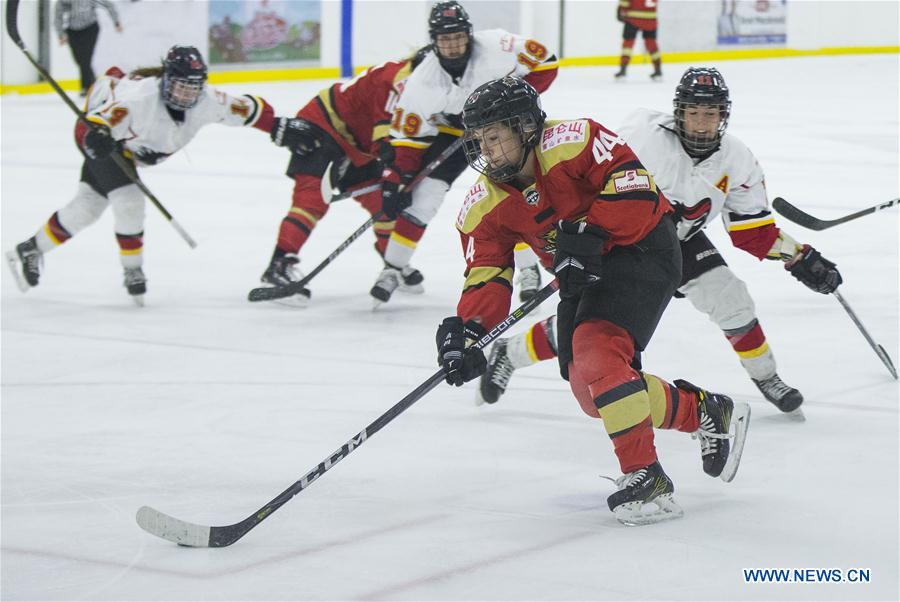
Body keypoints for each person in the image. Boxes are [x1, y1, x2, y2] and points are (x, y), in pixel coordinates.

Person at [435, 76, 749, 524]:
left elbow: (636, 188)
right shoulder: (483, 205)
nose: (487, 150)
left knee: (597, 352)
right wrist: (470, 331)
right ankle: (703, 411)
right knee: (591, 390)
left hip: (641, 247)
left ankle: (646, 475)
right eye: (480, 141)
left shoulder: (574, 139)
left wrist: (592, 233)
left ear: (524, 127)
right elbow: (487, 269)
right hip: (581, 275)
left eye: (495, 137)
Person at [478, 67, 843, 417]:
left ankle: (767, 376)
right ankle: (511, 353)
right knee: (592, 331)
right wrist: (576, 242)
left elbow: (752, 231)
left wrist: (799, 255)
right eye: (693, 112)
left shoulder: (738, 158)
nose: (702, 122)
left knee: (731, 299)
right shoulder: (642, 132)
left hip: (678, 244)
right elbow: (587, 184)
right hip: (619, 241)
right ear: (678, 112)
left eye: (711, 113)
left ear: (724, 116)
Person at [5, 46, 292, 305]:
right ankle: (133, 270)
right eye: (180, 87)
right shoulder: (138, 101)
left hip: (131, 149)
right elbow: (89, 127)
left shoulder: (206, 101)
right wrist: (98, 138)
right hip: (112, 143)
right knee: (129, 200)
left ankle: (30, 249)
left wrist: (280, 128)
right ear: (166, 80)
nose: (186, 96)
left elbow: (249, 109)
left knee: (88, 207)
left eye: (192, 89)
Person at [369, 0, 558, 306]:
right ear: (434, 42)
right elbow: (408, 139)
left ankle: (529, 269)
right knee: (424, 195)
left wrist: (514, 103)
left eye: (458, 36)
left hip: (502, 125)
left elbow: (546, 61)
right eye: (445, 39)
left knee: (512, 191)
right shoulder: (421, 82)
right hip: (452, 132)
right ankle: (392, 268)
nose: (453, 44)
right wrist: (397, 179)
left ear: (469, 33)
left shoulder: (498, 46)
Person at [255, 49, 433, 306]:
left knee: (385, 206)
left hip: (359, 146)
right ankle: (278, 265)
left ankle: (392, 263)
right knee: (312, 200)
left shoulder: (422, 84)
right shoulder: (396, 82)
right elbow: (385, 143)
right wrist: (398, 173)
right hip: (324, 126)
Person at [55, 0, 124, 96]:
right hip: (73, 31)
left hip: (90, 29)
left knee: (86, 58)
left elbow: (109, 5)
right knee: (78, 59)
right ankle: (93, 83)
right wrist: (60, 34)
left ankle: (85, 87)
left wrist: (116, 22)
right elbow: (58, 15)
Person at [614, 0, 661, 81]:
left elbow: (625, 3)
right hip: (651, 20)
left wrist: (619, 11)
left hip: (633, 19)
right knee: (651, 44)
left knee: (628, 44)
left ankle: (623, 70)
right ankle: (658, 70)